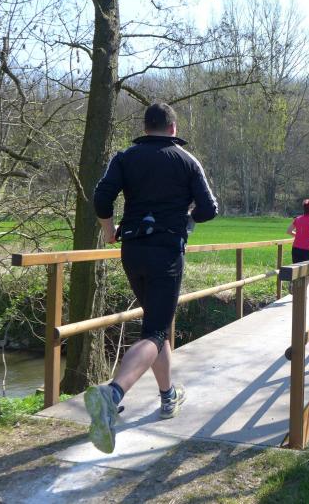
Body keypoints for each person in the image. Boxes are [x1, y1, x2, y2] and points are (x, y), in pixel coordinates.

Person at [86, 102, 218, 454]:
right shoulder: (187, 161)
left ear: (145, 128)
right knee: (156, 332)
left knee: (155, 325)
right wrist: (187, 217)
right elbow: (209, 209)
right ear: (173, 129)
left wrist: (109, 231)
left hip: (133, 251)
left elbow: (101, 198)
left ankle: (167, 395)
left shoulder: (124, 157)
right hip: (166, 252)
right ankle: (112, 394)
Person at [287, 199, 309, 263]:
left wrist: (298, 235)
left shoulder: (297, 219)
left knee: (296, 267)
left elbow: (289, 231)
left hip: (296, 249)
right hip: (308, 250)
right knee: (308, 268)